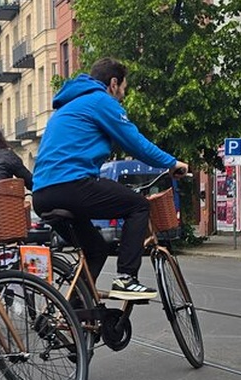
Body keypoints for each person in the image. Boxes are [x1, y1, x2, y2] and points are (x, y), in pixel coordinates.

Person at [32, 57, 189, 300]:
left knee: (96, 250)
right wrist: (172, 163)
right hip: (71, 185)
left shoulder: (69, 106)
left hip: (42, 195)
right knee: (138, 206)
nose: (123, 96)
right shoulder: (100, 101)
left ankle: (73, 314)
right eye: (123, 89)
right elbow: (135, 143)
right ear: (113, 83)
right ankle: (126, 278)